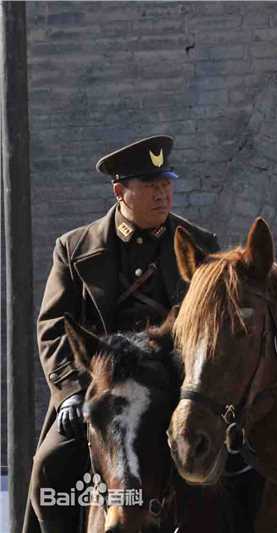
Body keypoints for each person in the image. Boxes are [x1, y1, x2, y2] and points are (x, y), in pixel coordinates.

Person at [24, 136, 220, 533]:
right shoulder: (75, 248)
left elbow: (212, 324)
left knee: (234, 471)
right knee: (49, 467)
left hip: (173, 388)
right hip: (102, 390)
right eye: (150, 187)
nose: (163, 195)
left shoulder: (200, 245)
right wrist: (69, 393)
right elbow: (52, 326)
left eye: (166, 185)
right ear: (120, 191)